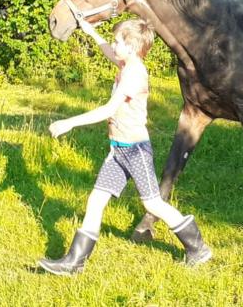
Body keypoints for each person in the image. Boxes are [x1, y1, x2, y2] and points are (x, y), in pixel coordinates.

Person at [38, 17, 212, 275]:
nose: (113, 44)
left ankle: (198, 249)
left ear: (130, 47)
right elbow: (107, 50)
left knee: (153, 204)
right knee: (96, 201)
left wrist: (69, 123)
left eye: (117, 41)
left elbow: (109, 109)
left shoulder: (134, 74)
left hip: (135, 150)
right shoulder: (127, 62)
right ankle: (74, 262)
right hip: (118, 149)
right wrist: (89, 30)